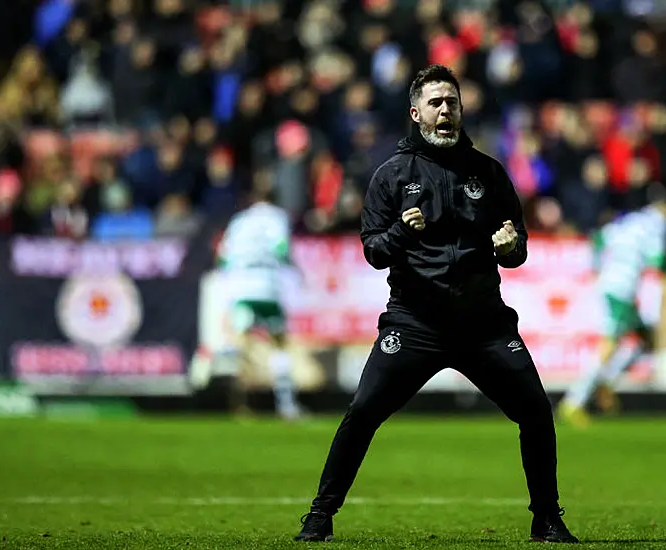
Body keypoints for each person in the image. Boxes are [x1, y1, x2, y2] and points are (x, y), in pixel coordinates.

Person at [294, 65, 578, 544]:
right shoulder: (391, 175)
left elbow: (517, 247)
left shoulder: (488, 172)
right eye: (435, 103)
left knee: (535, 411)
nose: (446, 110)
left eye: (452, 102)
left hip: (484, 324)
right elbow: (373, 251)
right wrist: (403, 231)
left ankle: (547, 519)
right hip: (416, 323)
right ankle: (320, 516)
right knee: (362, 411)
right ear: (415, 112)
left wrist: (510, 247)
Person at [558, 197, 666, 427]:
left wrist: (598, 267)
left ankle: (606, 381)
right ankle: (573, 402)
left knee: (646, 340)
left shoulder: (630, 220)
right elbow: (657, 260)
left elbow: (599, 238)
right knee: (608, 346)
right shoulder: (658, 225)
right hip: (621, 291)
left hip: (612, 286)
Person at [216, 190, 302, 421]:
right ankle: (286, 405)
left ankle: (239, 406)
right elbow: (282, 249)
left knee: (241, 344)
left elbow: (223, 257)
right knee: (279, 343)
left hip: (242, 287)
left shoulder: (239, 220)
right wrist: (297, 271)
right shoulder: (278, 217)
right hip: (267, 286)